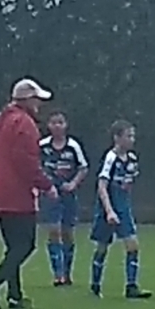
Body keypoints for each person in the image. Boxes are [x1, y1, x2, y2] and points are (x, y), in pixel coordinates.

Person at [0, 77, 55, 309]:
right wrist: (46, 185)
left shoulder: (1, 120)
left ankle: (15, 295)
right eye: (36, 99)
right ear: (27, 100)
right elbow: (27, 162)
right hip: (18, 195)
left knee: (13, 247)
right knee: (25, 246)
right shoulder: (25, 124)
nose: (39, 104)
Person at [90, 120, 149, 301]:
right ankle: (95, 284)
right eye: (128, 136)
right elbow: (102, 186)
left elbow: (128, 184)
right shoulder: (110, 158)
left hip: (123, 208)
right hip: (107, 208)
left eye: (133, 136)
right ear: (117, 138)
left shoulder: (132, 159)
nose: (132, 139)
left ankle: (131, 287)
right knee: (102, 247)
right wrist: (109, 211)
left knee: (133, 245)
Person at [39, 112, 90, 287]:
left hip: (68, 194)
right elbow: (35, 167)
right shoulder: (42, 146)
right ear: (48, 125)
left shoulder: (73, 146)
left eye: (60, 122)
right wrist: (43, 186)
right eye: (53, 122)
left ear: (66, 125)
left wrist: (73, 183)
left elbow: (83, 168)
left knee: (67, 232)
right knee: (54, 231)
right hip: (50, 194)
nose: (57, 126)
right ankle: (57, 274)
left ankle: (67, 273)